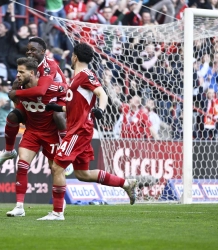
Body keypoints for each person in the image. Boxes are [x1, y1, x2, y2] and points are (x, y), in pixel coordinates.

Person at [37, 43, 137, 221]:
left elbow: (102, 94)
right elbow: (74, 108)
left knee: (57, 167)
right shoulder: (75, 79)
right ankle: (126, 184)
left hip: (79, 130)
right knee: (83, 174)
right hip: (76, 128)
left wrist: (101, 109)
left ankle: (58, 213)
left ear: (74, 57)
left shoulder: (86, 75)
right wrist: (55, 107)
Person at [0, 37, 67, 167]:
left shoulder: (50, 65)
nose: (29, 52)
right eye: (28, 50)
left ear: (43, 51)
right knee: (13, 115)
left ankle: (65, 151)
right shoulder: (27, 64)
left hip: (57, 95)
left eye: (33, 50)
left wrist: (16, 93)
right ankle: (9, 151)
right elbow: (16, 86)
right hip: (36, 95)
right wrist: (21, 111)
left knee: (58, 115)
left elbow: (41, 90)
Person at [5, 57, 66, 217]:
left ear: (32, 73)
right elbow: (17, 105)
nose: (17, 75)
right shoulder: (18, 86)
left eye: (21, 72)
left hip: (51, 134)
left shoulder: (50, 87)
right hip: (32, 132)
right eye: (17, 71)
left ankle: (59, 206)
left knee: (55, 170)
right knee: (22, 165)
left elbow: (70, 93)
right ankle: (19, 207)